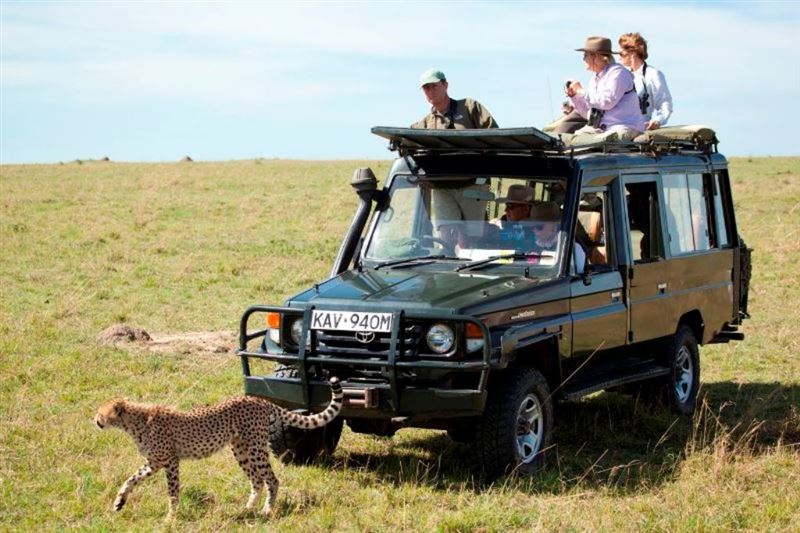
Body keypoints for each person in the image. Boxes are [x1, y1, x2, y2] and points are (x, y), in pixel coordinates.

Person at [565, 36, 644, 141]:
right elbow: (588, 113)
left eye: (585, 55)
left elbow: (607, 102)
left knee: (600, 142)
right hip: (601, 129)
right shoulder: (595, 79)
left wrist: (580, 91)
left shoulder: (619, 73)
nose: (583, 59)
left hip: (624, 127)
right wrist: (575, 96)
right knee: (572, 141)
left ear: (595, 56)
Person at [616, 32, 673, 131]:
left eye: (621, 54)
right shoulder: (622, 75)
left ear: (632, 53)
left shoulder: (653, 74)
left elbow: (665, 103)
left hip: (639, 130)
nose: (618, 57)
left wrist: (658, 121)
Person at [411, 69, 498, 129]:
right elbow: (405, 140)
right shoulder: (425, 124)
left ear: (445, 85)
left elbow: (494, 135)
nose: (431, 91)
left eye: (434, 86)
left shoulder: (469, 107)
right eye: (426, 88)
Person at [529, 202, 586, 273]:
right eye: (531, 227)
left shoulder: (572, 250)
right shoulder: (531, 245)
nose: (535, 230)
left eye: (539, 226)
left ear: (554, 226)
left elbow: (575, 279)